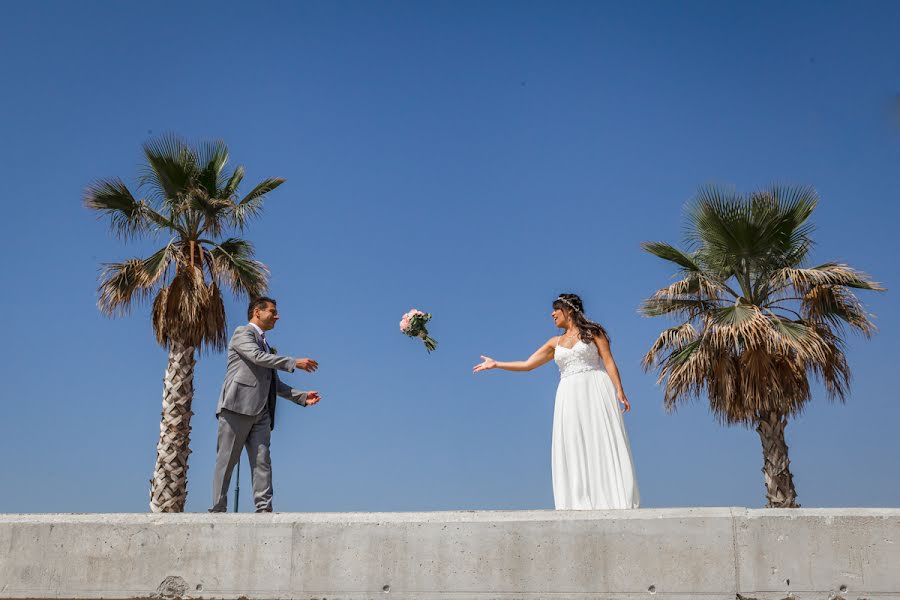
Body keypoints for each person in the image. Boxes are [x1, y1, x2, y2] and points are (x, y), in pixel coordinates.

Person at [473, 293, 639, 510]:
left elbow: (608, 361)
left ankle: (613, 498)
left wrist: (619, 389)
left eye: (556, 310)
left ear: (568, 310)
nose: (552, 314)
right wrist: (497, 364)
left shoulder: (593, 333)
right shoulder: (555, 343)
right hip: (569, 393)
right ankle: (580, 501)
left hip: (596, 387)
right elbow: (528, 364)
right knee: (574, 440)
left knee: (600, 436)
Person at [209, 296, 321, 513]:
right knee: (227, 460)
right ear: (257, 312)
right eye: (272, 311)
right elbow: (257, 357)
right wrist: (293, 362)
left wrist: (301, 397)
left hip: (262, 412)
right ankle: (218, 508)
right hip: (236, 407)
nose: (277, 316)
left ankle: (264, 509)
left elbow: (273, 383)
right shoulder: (243, 333)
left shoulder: (267, 346)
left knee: (262, 461)